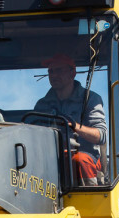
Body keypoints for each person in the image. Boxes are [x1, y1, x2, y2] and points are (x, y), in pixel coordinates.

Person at [34, 53, 107, 183]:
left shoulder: (91, 99)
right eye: (51, 71)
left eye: (59, 70)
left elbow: (101, 136)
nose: (54, 75)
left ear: (72, 73)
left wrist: (75, 126)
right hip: (49, 157)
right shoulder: (42, 105)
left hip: (83, 156)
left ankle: (88, 200)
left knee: (79, 161)